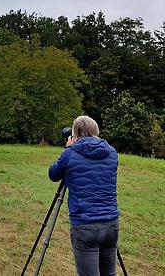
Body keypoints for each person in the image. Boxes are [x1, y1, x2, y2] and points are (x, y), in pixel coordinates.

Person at [49, 116, 120, 276]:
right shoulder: (112, 153)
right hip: (111, 224)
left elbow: (53, 174)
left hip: (85, 225)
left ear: (75, 135)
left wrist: (68, 148)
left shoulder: (71, 153)